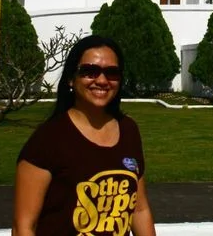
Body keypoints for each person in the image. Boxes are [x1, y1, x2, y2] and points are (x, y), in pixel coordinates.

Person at [13, 35, 156, 236]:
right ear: (71, 79)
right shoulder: (48, 139)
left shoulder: (129, 130)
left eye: (112, 73)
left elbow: (139, 210)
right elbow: (24, 226)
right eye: (89, 71)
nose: (102, 80)